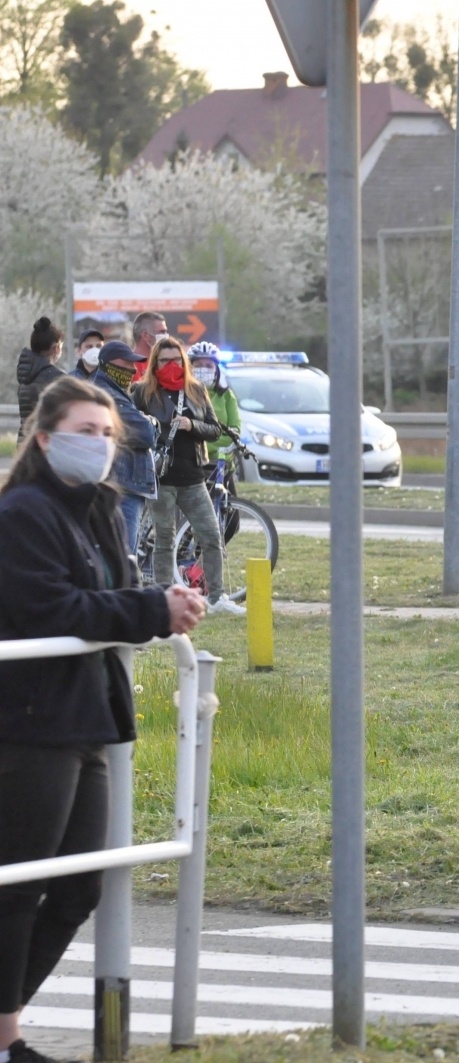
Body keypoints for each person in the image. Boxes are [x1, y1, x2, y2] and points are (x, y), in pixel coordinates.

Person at [0, 376, 206, 1063]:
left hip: (90, 715)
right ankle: (7, 1037)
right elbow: (51, 609)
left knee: (81, 884)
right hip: (30, 720)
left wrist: (161, 598)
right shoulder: (24, 512)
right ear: (43, 436)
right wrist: (152, 613)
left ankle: (5, 1021)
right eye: (83, 430)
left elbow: (115, 593)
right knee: (19, 883)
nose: (97, 443)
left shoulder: (102, 508)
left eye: (106, 434)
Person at [134, 337, 244, 618]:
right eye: (164, 361)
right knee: (165, 538)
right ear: (154, 363)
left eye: (176, 360)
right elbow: (130, 427)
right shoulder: (143, 392)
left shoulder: (195, 391)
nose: (171, 366)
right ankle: (164, 596)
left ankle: (217, 597)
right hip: (160, 477)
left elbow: (213, 429)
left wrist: (191, 424)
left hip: (193, 476)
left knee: (211, 534)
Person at [89, 340, 158, 552]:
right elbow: (146, 434)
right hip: (123, 485)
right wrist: (151, 422)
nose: (133, 369)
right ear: (110, 364)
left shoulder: (116, 392)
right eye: (127, 363)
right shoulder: (109, 395)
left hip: (121, 483)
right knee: (124, 557)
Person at [186, 342, 239, 464]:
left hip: (222, 465)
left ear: (216, 370)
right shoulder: (182, 395)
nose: (204, 369)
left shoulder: (227, 396)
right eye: (198, 365)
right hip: (191, 465)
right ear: (190, 368)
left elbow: (235, 432)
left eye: (209, 365)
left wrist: (201, 445)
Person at [16, 317, 65, 439]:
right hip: (45, 446)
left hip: (24, 444)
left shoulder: (25, 376)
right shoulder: (58, 378)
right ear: (56, 348)